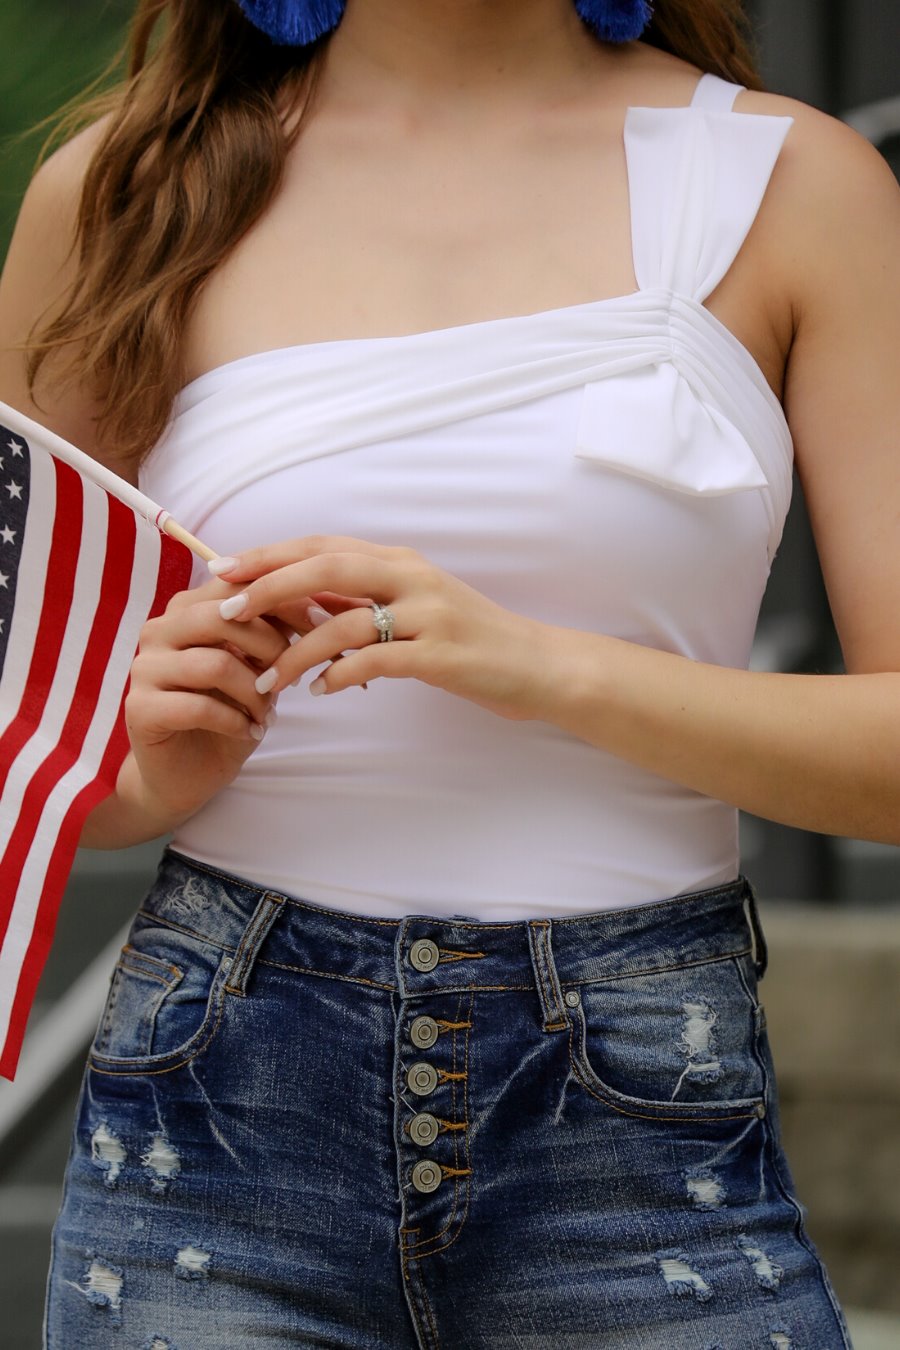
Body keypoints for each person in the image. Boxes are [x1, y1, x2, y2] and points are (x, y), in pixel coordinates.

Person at [1, 0, 897, 1344]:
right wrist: (138, 771)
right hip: (216, 1104)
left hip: (641, 1108)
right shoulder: (127, 189)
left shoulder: (794, 184)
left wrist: (538, 664)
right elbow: (31, 738)